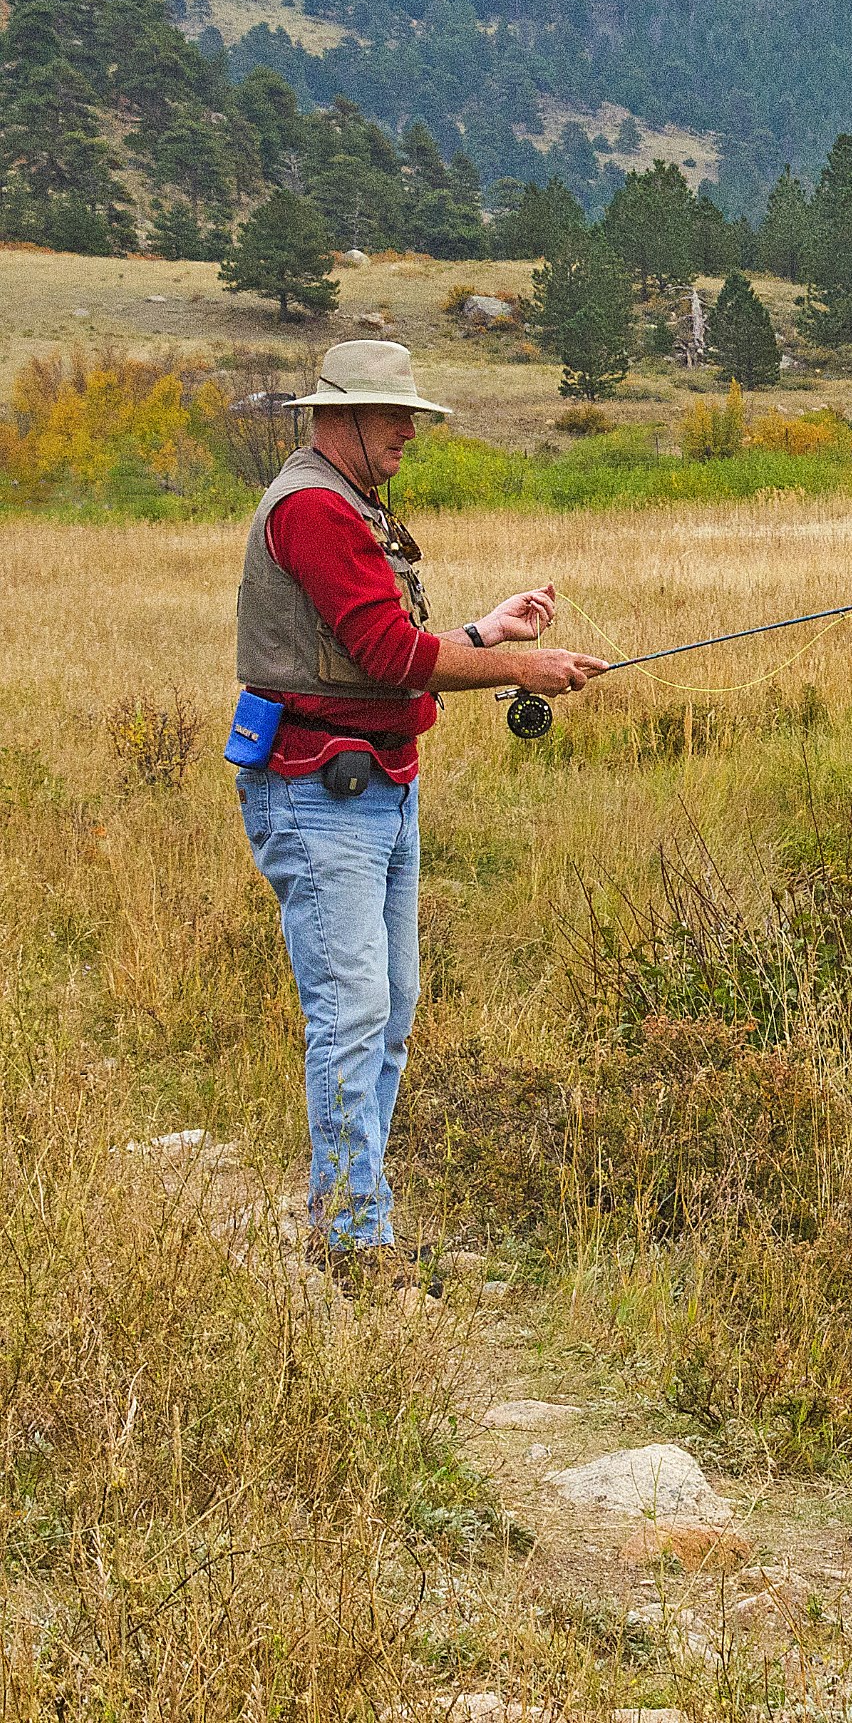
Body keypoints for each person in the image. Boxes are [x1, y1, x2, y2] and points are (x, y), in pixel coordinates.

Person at [235, 339, 606, 1293]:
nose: (409, 430)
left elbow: (372, 650)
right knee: (354, 1013)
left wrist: (486, 634)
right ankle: (353, 1242)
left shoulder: (344, 501)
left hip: (372, 787)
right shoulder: (315, 507)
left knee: (387, 1010)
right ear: (338, 417)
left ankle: (365, 1223)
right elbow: (391, 654)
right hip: (320, 794)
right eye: (392, 413)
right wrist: (523, 667)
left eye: (413, 414)